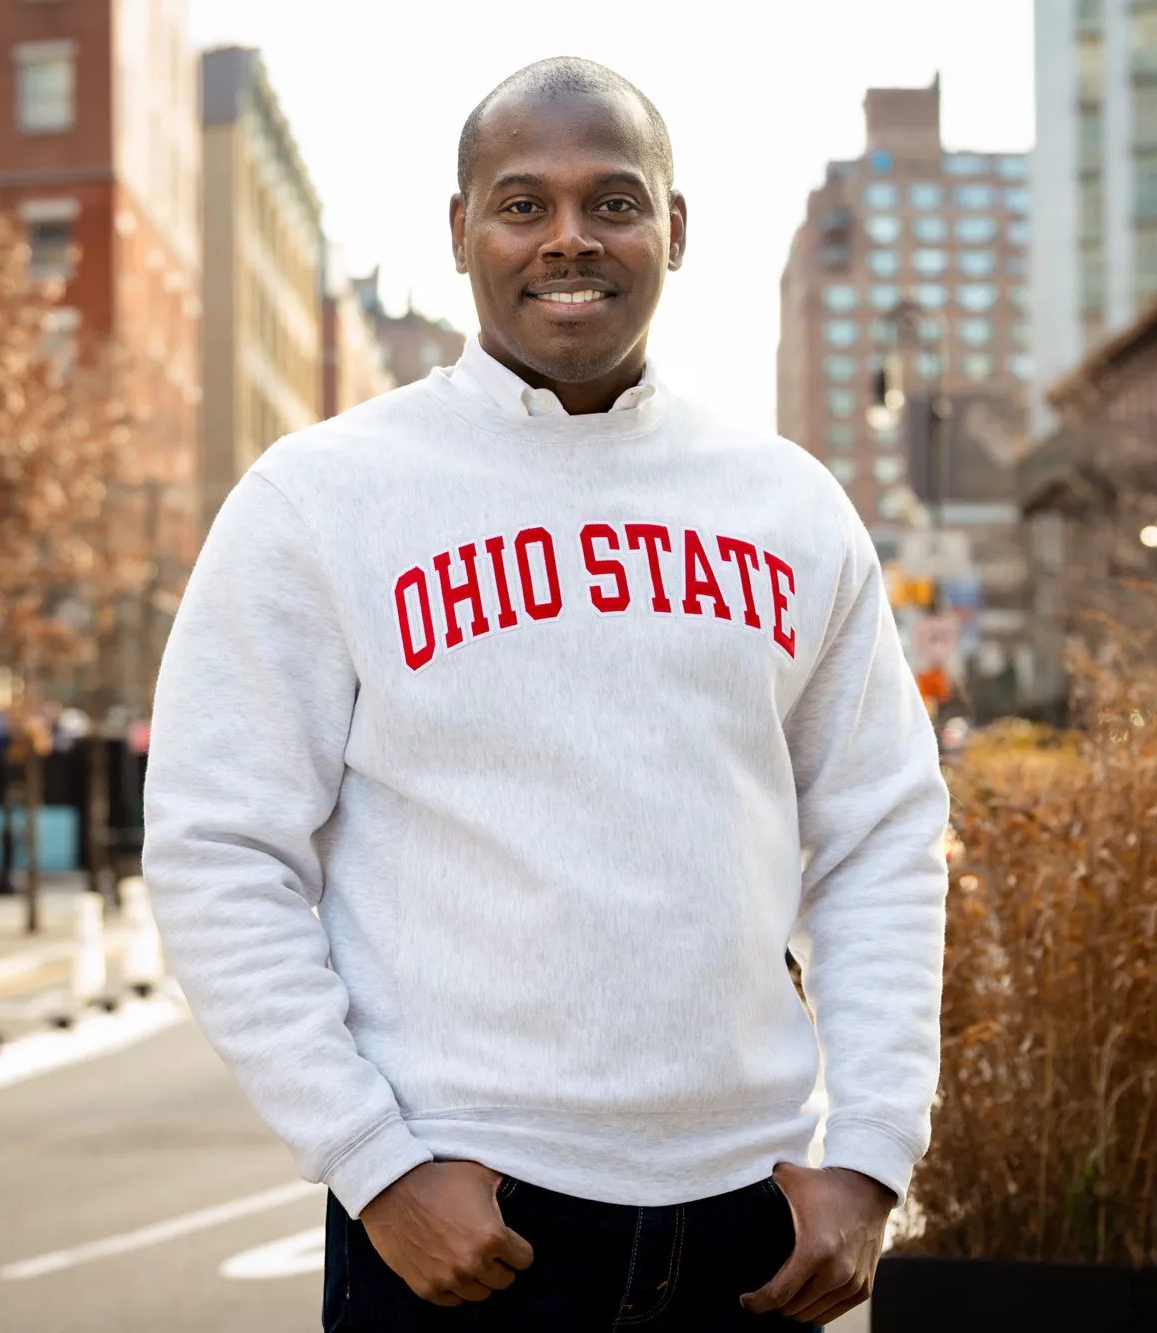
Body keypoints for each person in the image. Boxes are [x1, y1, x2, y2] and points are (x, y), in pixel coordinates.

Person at [144, 57, 949, 1331]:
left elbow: (882, 837)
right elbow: (216, 848)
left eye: (613, 201)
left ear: (673, 230)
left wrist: (869, 1156)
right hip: (466, 1224)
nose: (568, 237)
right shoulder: (321, 499)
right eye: (522, 204)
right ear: (460, 230)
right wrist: (376, 1164)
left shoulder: (789, 505)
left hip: (751, 1229)